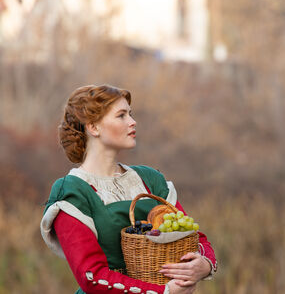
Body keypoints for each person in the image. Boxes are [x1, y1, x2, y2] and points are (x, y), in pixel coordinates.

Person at [40, 85, 217, 294]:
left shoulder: (149, 179)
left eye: (130, 114)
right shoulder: (72, 191)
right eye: (121, 116)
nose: (133, 122)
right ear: (93, 127)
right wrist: (162, 292)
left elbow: (194, 237)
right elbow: (91, 276)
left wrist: (203, 265)